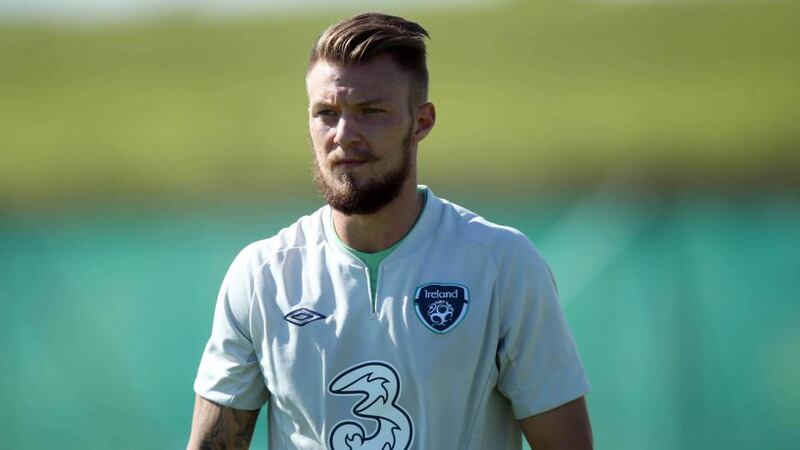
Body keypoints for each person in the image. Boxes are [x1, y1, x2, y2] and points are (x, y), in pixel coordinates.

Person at [187, 12, 592, 450]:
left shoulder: (501, 264)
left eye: (370, 112)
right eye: (326, 113)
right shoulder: (263, 275)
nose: (344, 135)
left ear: (422, 122)